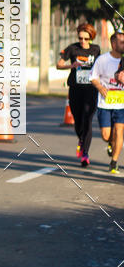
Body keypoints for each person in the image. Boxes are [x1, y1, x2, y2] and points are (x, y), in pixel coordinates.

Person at [57, 23, 100, 167]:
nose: (83, 41)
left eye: (86, 39)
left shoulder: (96, 50)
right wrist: (72, 65)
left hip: (91, 90)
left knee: (87, 119)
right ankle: (81, 139)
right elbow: (59, 64)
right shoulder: (72, 48)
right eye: (81, 38)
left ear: (91, 38)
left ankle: (85, 154)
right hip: (75, 90)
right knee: (78, 122)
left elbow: (99, 67)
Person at [90, 32, 124, 176]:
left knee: (119, 132)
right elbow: (93, 77)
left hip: (121, 105)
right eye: (122, 42)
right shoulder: (102, 60)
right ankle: (111, 143)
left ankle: (114, 162)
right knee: (106, 135)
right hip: (105, 104)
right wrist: (100, 87)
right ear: (113, 44)